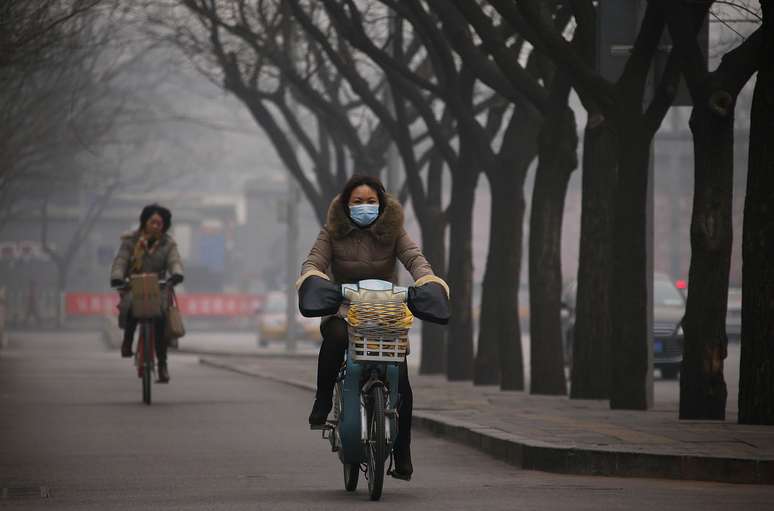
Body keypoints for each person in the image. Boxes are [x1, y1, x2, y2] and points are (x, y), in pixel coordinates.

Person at [297, 175, 448, 482]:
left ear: (380, 204)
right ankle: (323, 399)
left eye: (370, 201)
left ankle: (402, 451)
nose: (364, 207)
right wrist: (314, 280)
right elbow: (313, 262)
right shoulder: (331, 232)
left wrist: (428, 282)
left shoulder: (394, 231)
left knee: (401, 378)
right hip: (344, 308)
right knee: (336, 336)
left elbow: (416, 261)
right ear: (345, 204)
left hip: (386, 311)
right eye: (357, 201)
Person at [110, 204, 184, 383]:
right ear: (145, 221)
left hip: (158, 287)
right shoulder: (131, 241)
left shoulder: (168, 244)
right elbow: (121, 260)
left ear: (164, 226)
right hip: (134, 285)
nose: (156, 226)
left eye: (160, 223)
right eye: (153, 222)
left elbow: (174, 261)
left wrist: (176, 274)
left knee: (160, 321)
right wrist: (117, 277)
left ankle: (163, 366)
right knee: (131, 307)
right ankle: (127, 342)